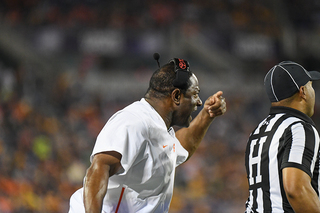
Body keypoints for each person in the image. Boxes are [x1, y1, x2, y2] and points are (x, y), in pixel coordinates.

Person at [68, 57, 227, 213]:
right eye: (194, 94)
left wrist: (207, 115)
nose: (199, 102)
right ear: (176, 96)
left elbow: (180, 147)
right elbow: (98, 169)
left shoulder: (159, 126)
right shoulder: (134, 121)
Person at [245, 61, 320, 213]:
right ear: (303, 91)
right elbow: (296, 190)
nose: (314, 92)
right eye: (311, 86)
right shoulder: (298, 127)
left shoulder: (258, 131)